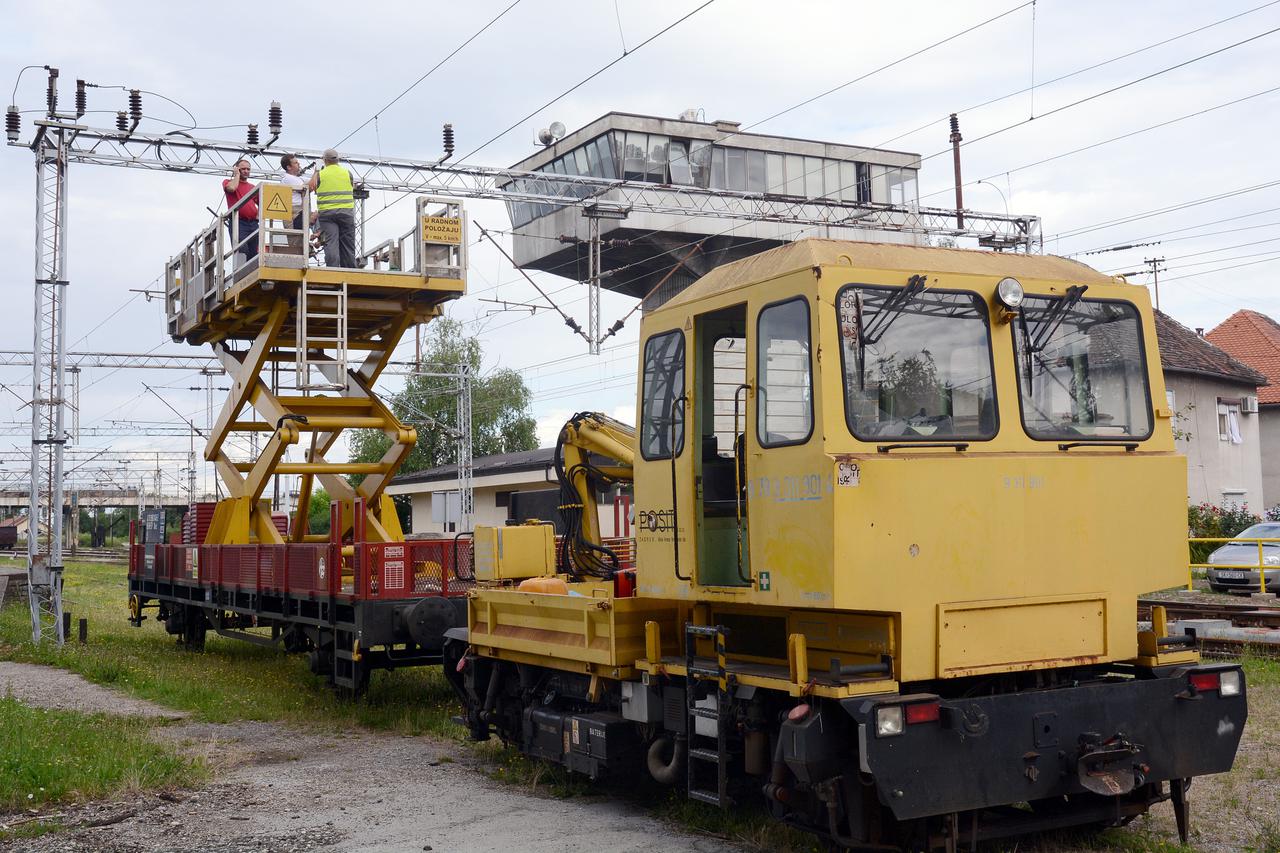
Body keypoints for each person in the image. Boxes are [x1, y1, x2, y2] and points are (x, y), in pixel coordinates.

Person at [308, 148, 356, 267]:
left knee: (330, 243)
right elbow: (352, 187)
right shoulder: (347, 173)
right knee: (347, 245)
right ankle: (349, 271)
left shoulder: (320, 174)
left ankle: (333, 270)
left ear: (325, 160)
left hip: (327, 214)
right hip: (346, 213)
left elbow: (311, 187)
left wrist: (316, 170)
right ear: (338, 160)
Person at [222, 158, 259, 261]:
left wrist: (258, 215)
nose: (246, 171)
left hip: (253, 223)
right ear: (237, 169)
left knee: (254, 253)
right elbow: (231, 189)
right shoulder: (227, 182)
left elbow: (262, 202)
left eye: (248, 169)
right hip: (238, 222)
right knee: (242, 250)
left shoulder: (252, 187)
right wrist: (237, 175)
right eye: (243, 169)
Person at [277, 153, 308, 255]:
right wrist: (317, 171)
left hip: (299, 210)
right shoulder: (288, 178)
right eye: (295, 163)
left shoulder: (297, 178)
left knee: (301, 239)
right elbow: (308, 188)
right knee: (296, 241)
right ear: (289, 167)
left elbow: (312, 184)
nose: (299, 164)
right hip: (294, 212)